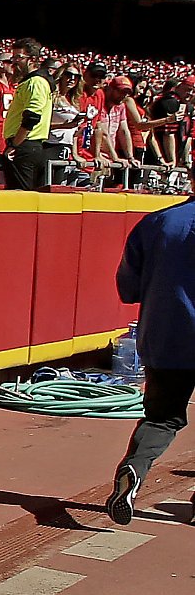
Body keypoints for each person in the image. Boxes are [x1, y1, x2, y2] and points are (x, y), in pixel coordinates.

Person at [105, 191, 195, 523]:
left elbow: (128, 287)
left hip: (166, 336)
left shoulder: (157, 222)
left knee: (162, 418)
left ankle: (135, 466)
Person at [2, 41, 56, 190]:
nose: (14, 62)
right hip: (26, 145)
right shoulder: (31, 81)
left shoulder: (36, 82)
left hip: (25, 146)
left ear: (32, 59)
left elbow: (31, 117)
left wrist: (14, 145)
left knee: (20, 197)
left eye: (18, 57)